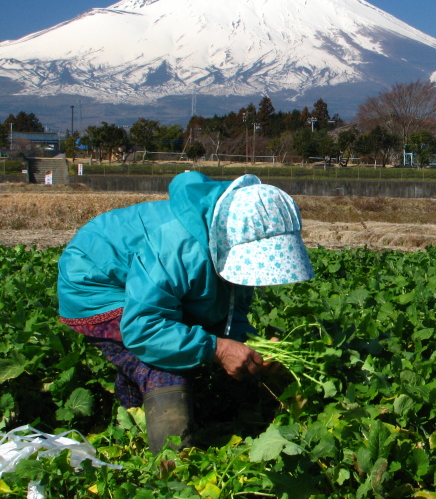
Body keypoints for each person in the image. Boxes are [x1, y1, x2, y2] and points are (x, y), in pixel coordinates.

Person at [57, 172, 314, 453]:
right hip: (95, 281)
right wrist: (217, 349)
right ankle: (172, 466)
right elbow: (144, 328)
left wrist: (248, 344)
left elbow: (230, 311)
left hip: (146, 282)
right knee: (162, 364)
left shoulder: (228, 242)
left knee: (168, 349)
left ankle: (130, 421)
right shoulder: (177, 248)